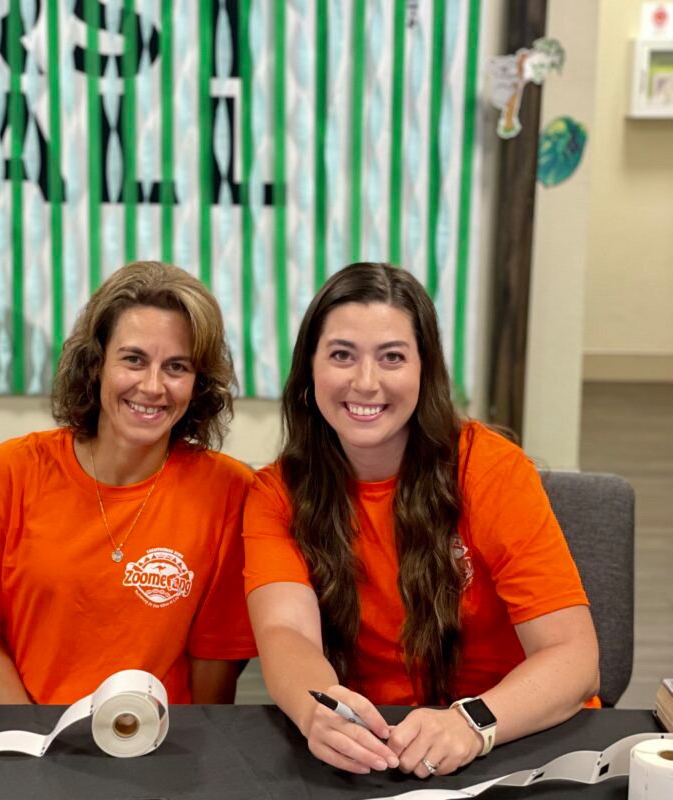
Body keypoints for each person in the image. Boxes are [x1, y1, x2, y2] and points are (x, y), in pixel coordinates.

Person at [243, 262, 600, 777]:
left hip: (512, 735)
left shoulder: (490, 469)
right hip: (387, 747)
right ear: (310, 370)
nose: (366, 382)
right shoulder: (278, 491)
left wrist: (472, 722)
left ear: (423, 370)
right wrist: (316, 709)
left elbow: (575, 658)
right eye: (342, 355)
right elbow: (284, 632)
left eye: (392, 357)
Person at [0, 261, 256, 704]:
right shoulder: (11, 469)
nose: (152, 386)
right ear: (96, 364)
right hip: (26, 724)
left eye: (177, 367)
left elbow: (215, 659)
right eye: (133, 360)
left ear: (199, 383)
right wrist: (37, 738)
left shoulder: (229, 491)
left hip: (156, 738)